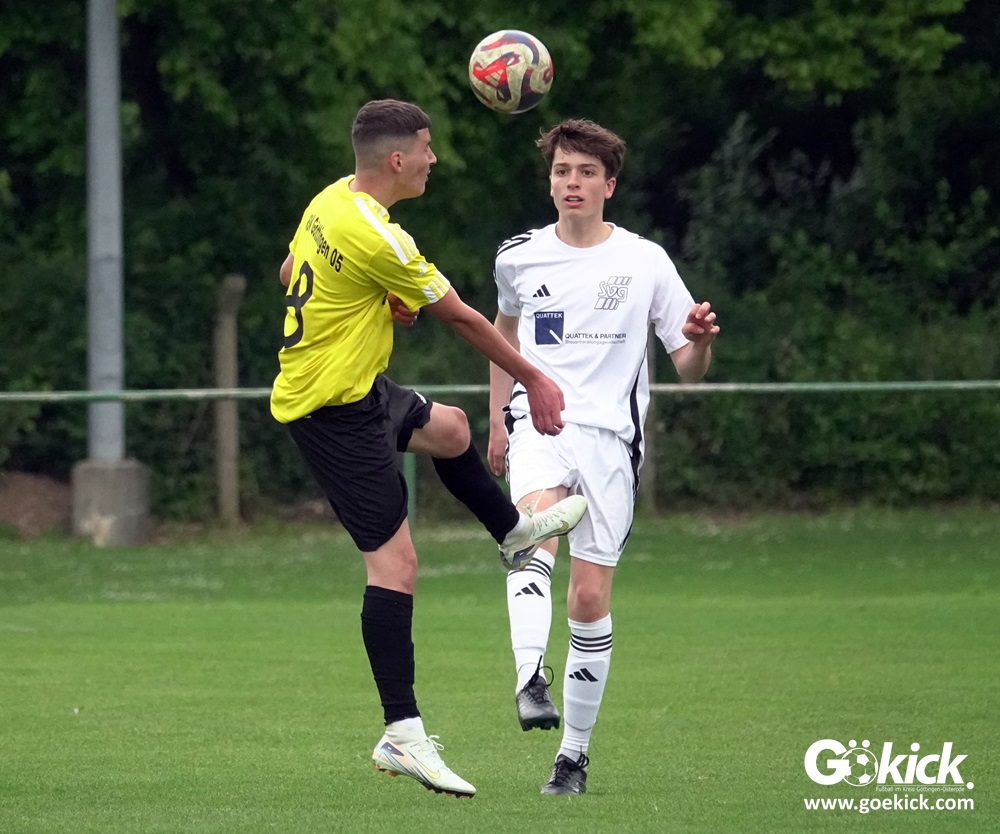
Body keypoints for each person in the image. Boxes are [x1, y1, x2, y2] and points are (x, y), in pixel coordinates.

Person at [269, 99, 588, 800]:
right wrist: (534, 378)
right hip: (332, 412)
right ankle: (401, 733)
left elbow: (292, 270)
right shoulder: (380, 236)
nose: (433, 158)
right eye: (425, 147)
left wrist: (371, 299)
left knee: (450, 430)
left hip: (357, 389)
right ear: (397, 159)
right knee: (396, 567)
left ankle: (512, 533)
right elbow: (464, 320)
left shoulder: (333, 200)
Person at [487, 118, 720, 795]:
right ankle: (530, 676)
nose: (573, 182)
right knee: (532, 534)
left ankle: (573, 757)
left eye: (587, 172)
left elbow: (688, 368)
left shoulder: (645, 262)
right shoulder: (519, 257)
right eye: (562, 171)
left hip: (612, 440)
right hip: (541, 423)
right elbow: (503, 335)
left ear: (609, 185)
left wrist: (701, 342)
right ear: (550, 181)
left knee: (588, 598)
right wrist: (498, 418)